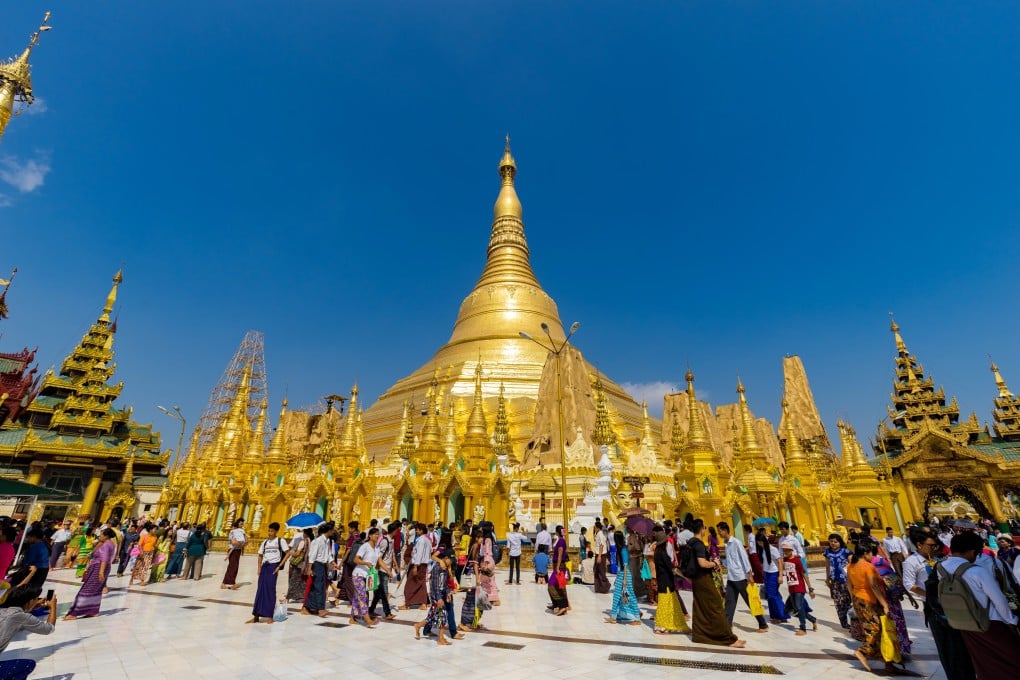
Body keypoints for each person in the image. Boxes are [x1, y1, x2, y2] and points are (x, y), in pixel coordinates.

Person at [940, 531, 1020, 678]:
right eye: (976, 553)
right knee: (1012, 662)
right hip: (992, 624)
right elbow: (999, 600)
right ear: (971, 551)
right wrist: (1012, 622)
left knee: (985, 664)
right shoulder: (977, 571)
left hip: (966, 624)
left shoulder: (941, 569)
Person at [689, 519, 745, 647]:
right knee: (716, 606)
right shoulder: (698, 544)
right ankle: (728, 638)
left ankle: (700, 634)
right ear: (702, 529)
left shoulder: (690, 542)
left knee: (700, 607)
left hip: (696, 580)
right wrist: (714, 563)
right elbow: (702, 563)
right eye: (704, 528)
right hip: (703, 579)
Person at [847, 543, 891, 673]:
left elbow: (849, 584)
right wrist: (884, 604)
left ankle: (886, 661)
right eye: (871, 553)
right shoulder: (868, 566)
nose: (873, 556)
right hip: (868, 600)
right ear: (866, 553)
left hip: (857, 599)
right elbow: (874, 587)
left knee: (873, 628)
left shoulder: (850, 566)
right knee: (876, 629)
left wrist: (854, 598)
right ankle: (862, 652)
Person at [717, 522, 767, 633]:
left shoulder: (736, 543)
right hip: (731, 577)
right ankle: (727, 624)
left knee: (750, 601)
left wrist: (750, 575)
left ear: (725, 530)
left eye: (720, 531)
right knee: (730, 601)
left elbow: (744, 558)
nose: (719, 533)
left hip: (740, 577)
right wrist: (721, 563)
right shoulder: (726, 544)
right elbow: (730, 561)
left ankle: (763, 624)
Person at [0, 585, 56, 680]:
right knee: (28, 665)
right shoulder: (20, 616)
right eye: (36, 599)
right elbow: (49, 629)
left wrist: (32, 606)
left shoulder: (3, 610)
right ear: (29, 601)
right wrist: (53, 607)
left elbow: (15, 620)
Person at [866, 542, 912, 655]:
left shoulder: (870, 564)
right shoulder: (881, 561)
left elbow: (889, 579)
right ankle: (901, 645)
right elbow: (893, 577)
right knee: (896, 621)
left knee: (889, 622)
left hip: (884, 597)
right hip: (889, 596)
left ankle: (893, 647)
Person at [64, 528, 117, 619]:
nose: (99, 536)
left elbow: (104, 559)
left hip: (99, 568)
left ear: (106, 536)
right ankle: (93, 611)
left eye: (101, 535)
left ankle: (75, 613)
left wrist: (101, 572)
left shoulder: (106, 545)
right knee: (96, 590)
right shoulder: (110, 544)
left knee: (87, 589)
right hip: (102, 567)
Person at [246, 522, 289, 624]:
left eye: (272, 531)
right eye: (269, 531)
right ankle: (256, 615)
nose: (270, 533)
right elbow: (260, 555)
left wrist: (279, 566)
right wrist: (259, 567)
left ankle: (269, 615)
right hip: (265, 567)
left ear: (276, 532)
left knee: (270, 590)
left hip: (273, 567)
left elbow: (288, 553)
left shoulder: (280, 541)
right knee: (260, 590)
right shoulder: (265, 542)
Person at [414, 550, 457, 645]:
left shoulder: (445, 569)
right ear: (446, 558)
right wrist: (439, 598)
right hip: (436, 596)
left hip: (441, 595)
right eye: (451, 560)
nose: (451, 562)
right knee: (442, 615)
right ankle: (440, 639)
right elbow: (435, 585)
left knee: (433, 616)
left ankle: (418, 625)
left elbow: (444, 585)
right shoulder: (437, 568)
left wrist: (448, 593)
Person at [652, 528, 689, 635]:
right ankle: (659, 627)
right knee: (664, 605)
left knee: (672, 604)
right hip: (665, 583)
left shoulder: (657, 552)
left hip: (665, 581)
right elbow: (673, 568)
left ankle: (676, 624)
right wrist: (685, 577)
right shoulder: (662, 554)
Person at [350, 527, 388, 627]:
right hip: (358, 574)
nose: (377, 536)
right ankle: (368, 620)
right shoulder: (364, 546)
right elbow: (356, 560)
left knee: (358, 596)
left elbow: (379, 561)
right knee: (363, 596)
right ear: (370, 536)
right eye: (375, 534)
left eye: (378, 534)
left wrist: (388, 571)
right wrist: (365, 563)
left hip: (368, 576)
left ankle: (352, 618)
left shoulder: (377, 548)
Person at [606, 530, 641, 625]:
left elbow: (625, 565)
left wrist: (624, 579)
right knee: (617, 595)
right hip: (621, 574)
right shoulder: (619, 549)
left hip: (626, 575)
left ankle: (637, 617)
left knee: (630, 596)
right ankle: (614, 617)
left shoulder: (623, 550)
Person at [782, 544, 817, 635]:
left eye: (787, 550)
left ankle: (803, 628)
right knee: (793, 609)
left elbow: (804, 574)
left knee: (798, 607)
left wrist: (810, 588)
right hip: (791, 588)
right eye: (784, 550)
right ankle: (813, 619)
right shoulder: (784, 560)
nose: (785, 552)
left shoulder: (797, 561)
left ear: (791, 550)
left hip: (799, 587)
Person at [302, 523, 333, 618]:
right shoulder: (317, 541)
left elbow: (327, 554)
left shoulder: (327, 541)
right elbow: (312, 555)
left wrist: (332, 563)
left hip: (322, 566)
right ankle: (320, 609)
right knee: (319, 587)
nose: (333, 532)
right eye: (332, 530)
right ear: (328, 531)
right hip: (316, 565)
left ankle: (308, 607)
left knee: (318, 587)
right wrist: (309, 568)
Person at [369, 522, 399, 620]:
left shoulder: (391, 540)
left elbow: (392, 553)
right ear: (394, 531)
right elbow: (379, 558)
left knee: (379, 593)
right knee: (383, 592)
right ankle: (387, 613)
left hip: (387, 568)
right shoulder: (385, 541)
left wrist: (395, 564)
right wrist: (387, 570)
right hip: (382, 569)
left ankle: (371, 610)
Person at [823, 533, 853, 629]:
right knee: (838, 602)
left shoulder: (846, 551)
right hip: (834, 580)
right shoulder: (827, 552)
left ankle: (853, 622)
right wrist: (827, 578)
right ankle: (844, 623)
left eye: (835, 541)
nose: (833, 543)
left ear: (840, 542)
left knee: (848, 600)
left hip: (846, 580)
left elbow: (852, 565)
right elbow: (827, 566)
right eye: (831, 541)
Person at [755, 530, 786, 623]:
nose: (760, 544)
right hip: (766, 573)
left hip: (774, 573)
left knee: (773, 595)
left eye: (761, 542)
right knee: (771, 595)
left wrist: (780, 575)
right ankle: (778, 615)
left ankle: (780, 616)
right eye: (758, 542)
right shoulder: (761, 550)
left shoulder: (772, 549)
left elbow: (780, 562)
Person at [548, 525, 570, 615]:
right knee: (558, 586)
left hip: (559, 567)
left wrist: (557, 568)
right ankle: (556, 604)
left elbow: (560, 554)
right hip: (558, 566)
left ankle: (562, 606)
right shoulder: (561, 541)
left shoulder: (561, 542)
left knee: (551, 585)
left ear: (557, 532)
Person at [287, 528, 312, 603]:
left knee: (293, 580)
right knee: (301, 581)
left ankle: (287, 598)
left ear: (304, 533)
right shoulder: (309, 541)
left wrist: (291, 552)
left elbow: (297, 553)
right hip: (304, 564)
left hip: (297, 564)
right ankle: (301, 596)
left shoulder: (302, 541)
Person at [221, 518, 246, 590]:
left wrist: (241, 544)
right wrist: (240, 543)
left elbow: (245, 541)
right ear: (237, 524)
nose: (242, 525)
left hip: (237, 550)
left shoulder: (239, 531)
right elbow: (234, 542)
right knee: (233, 566)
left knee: (233, 566)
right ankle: (231, 583)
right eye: (241, 523)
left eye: (242, 524)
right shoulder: (235, 531)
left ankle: (225, 583)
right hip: (233, 550)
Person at [129, 522, 155, 587]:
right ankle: (131, 579)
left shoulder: (155, 537)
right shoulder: (144, 536)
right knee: (137, 566)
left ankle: (142, 580)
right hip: (143, 552)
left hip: (150, 553)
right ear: (150, 530)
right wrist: (141, 552)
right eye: (154, 529)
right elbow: (139, 545)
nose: (155, 530)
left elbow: (154, 545)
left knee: (145, 567)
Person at [479, 525, 500, 605]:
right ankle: (488, 598)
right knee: (486, 581)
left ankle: (495, 599)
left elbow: (487, 551)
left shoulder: (487, 540)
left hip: (488, 561)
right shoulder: (487, 539)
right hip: (486, 559)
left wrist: (485, 563)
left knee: (489, 581)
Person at [592, 520, 610, 594]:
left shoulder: (601, 535)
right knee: (596, 570)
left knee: (602, 571)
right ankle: (599, 587)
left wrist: (599, 556)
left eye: (595, 527)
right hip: (598, 554)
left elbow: (602, 545)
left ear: (597, 527)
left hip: (601, 555)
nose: (594, 529)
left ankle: (606, 587)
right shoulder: (598, 534)